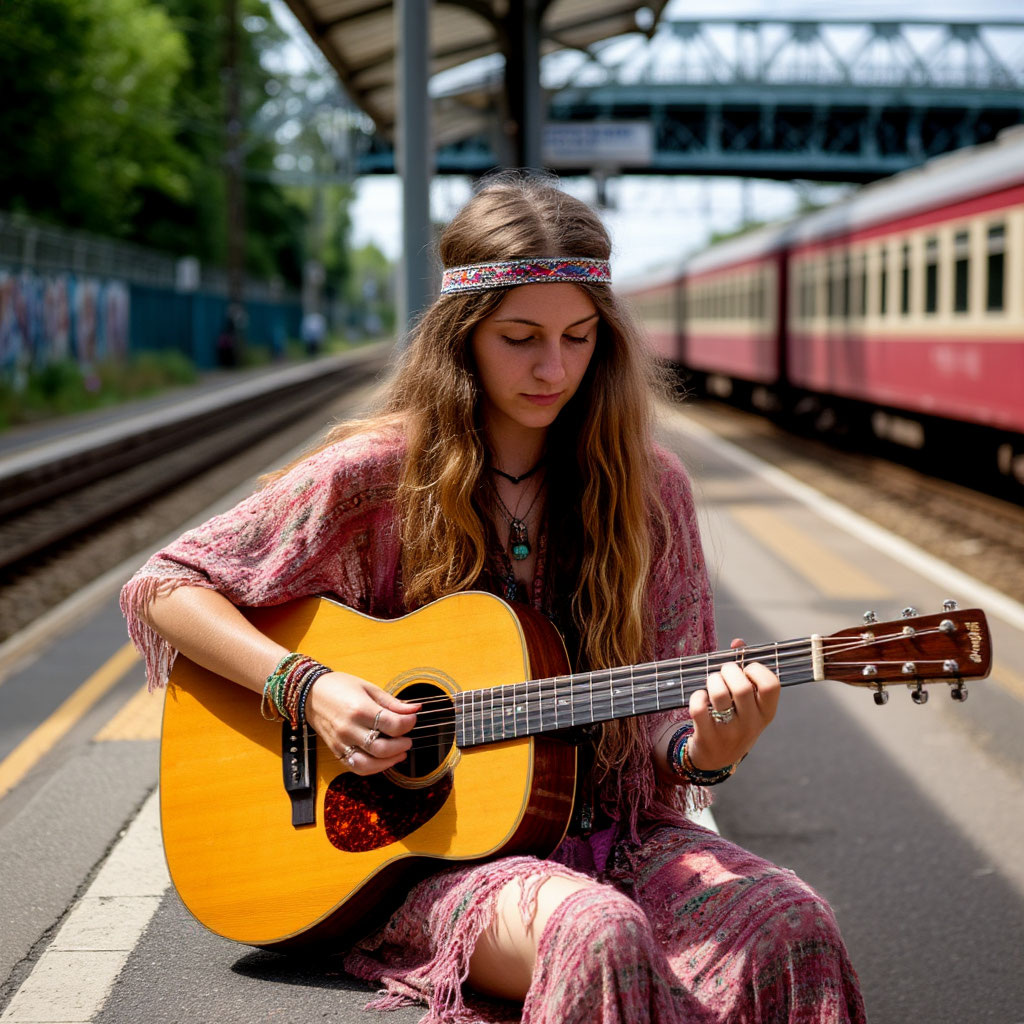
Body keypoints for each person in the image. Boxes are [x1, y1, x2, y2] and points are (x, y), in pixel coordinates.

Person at [121, 175, 865, 1024]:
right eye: (521, 338)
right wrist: (311, 689)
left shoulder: (651, 492)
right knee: (594, 934)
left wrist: (710, 748)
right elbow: (168, 586)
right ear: (463, 335)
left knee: (791, 922)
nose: (554, 368)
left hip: (615, 834)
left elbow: (668, 737)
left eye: (580, 338)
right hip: (426, 860)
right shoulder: (375, 476)